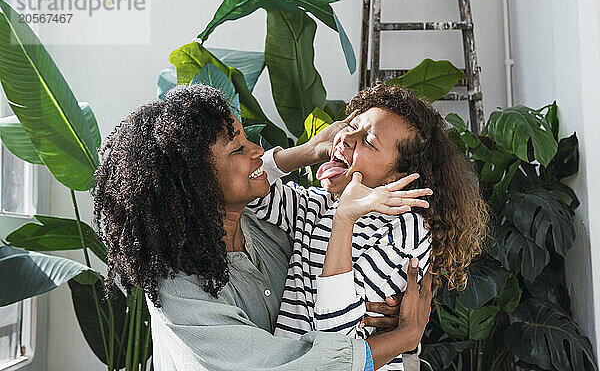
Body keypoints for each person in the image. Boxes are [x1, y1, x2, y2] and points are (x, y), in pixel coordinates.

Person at [91, 83, 433, 371]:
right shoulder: (181, 290)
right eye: (238, 148)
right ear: (196, 184)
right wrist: (403, 338)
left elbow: (354, 304)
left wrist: (311, 151)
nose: (257, 150)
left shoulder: (268, 219)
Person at [246, 83, 488, 370]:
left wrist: (344, 220)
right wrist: (310, 150)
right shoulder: (320, 205)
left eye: (369, 141)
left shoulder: (406, 230)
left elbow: (337, 341)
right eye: (353, 126)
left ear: (396, 177)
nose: (347, 137)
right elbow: (249, 189)